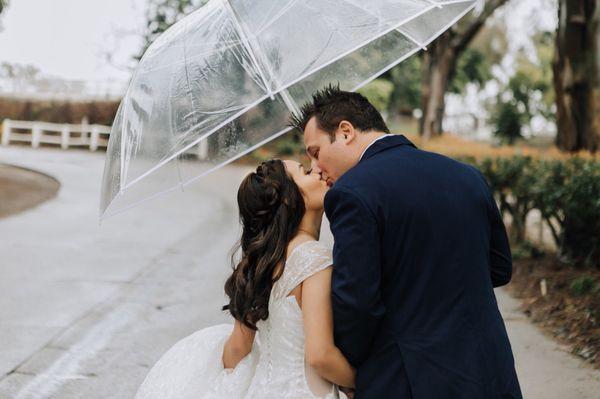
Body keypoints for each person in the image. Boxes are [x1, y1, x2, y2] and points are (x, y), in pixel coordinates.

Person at [291, 85, 522, 399]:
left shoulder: (352, 193)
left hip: (411, 380)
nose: (317, 168)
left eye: (316, 153)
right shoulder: (467, 176)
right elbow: (499, 268)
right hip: (489, 372)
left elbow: (357, 304)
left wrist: (350, 372)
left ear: (345, 132)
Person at [135, 159, 354, 399]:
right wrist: (368, 381)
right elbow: (320, 356)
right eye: (306, 171)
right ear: (288, 198)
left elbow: (236, 350)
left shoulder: (262, 262)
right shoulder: (312, 257)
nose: (319, 172)